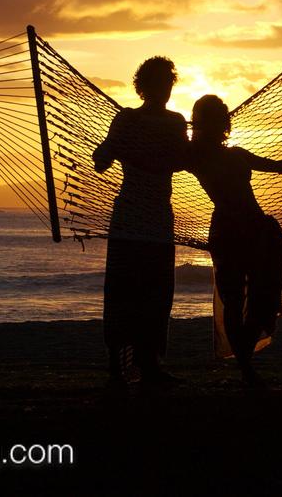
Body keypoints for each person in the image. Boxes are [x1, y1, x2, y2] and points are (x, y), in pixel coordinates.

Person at [188, 94, 282, 387]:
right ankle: (245, 365)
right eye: (218, 116)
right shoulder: (195, 156)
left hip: (252, 230)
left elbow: (278, 167)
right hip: (235, 231)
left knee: (257, 297)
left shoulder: (229, 154)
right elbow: (164, 152)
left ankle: (245, 362)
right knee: (237, 299)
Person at [93, 56, 189, 386]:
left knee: (155, 295)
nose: (164, 88)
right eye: (158, 82)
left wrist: (125, 154)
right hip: (132, 221)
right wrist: (113, 152)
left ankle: (148, 366)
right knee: (124, 293)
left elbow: (182, 161)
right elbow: (101, 161)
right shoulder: (129, 120)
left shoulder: (170, 122)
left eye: (167, 82)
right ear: (144, 86)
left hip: (157, 220)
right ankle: (119, 368)